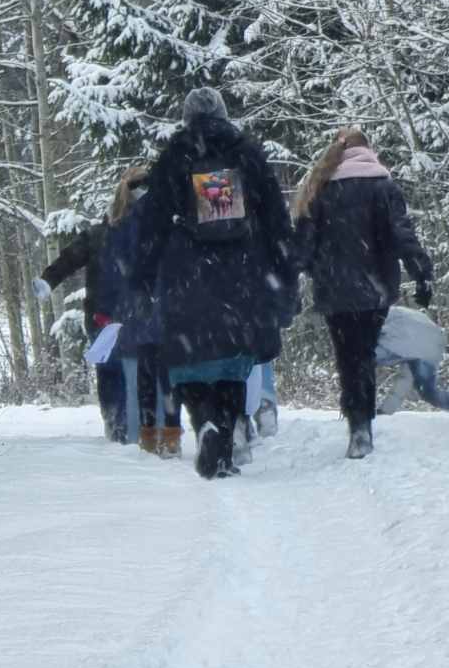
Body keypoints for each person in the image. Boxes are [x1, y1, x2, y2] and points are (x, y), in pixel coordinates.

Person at [136, 88, 295, 479]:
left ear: (186, 117)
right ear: (224, 114)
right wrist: (284, 272)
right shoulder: (247, 155)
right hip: (240, 275)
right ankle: (223, 437)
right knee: (232, 361)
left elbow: (151, 226)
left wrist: (143, 278)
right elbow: (276, 221)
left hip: (186, 277)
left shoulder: (174, 158)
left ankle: (204, 421)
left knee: (190, 363)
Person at [292, 128, 433, 459]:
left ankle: (358, 424)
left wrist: (294, 276)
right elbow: (402, 234)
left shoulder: (321, 188)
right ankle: (363, 422)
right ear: (369, 150)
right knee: (365, 353)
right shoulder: (383, 186)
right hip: (375, 287)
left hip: (334, 289)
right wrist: (422, 273)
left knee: (348, 356)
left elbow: (303, 245)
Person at [99, 166, 185, 458]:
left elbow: (112, 270)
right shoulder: (167, 214)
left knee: (143, 377)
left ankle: (148, 435)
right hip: (166, 303)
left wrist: (109, 308)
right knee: (169, 377)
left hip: (135, 308)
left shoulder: (119, 220)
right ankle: (171, 435)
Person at [35, 209, 122, 442]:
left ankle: (119, 425)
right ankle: (123, 426)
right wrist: (48, 280)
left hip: (106, 318)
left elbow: (68, 259)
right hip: (112, 319)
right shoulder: (102, 236)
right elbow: (69, 259)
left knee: (112, 374)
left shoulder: (98, 235)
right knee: (120, 372)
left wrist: (48, 280)